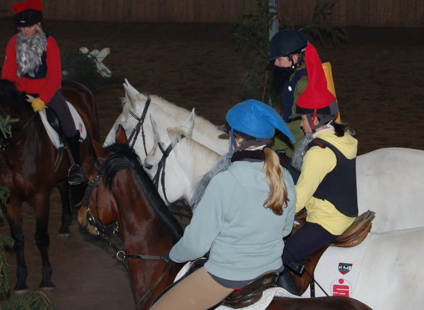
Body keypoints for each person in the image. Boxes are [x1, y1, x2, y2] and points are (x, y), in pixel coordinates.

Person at [150, 99, 297, 310]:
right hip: (269, 269)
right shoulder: (285, 177)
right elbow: (285, 229)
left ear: (237, 141)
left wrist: (172, 254)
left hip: (227, 276)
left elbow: (195, 245)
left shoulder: (223, 182)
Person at [277, 44, 358, 295]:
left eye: (303, 119)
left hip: (327, 220)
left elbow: (299, 199)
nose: (301, 124)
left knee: (278, 257)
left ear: (315, 119)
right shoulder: (341, 136)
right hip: (342, 210)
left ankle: (291, 298)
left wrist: (274, 214)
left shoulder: (318, 153)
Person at [1, 0, 84, 185]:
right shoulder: (13, 42)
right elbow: (7, 73)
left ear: (38, 24)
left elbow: (55, 78)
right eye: (21, 28)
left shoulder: (50, 43)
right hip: (19, 94)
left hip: (47, 92)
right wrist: (10, 92)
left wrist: (42, 99)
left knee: (68, 124)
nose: (24, 31)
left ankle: (76, 165)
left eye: (28, 27)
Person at [265, 29, 310, 158]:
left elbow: (301, 126)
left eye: (279, 59)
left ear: (294, 58)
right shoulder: (294, 76)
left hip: (298, 148)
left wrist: (272, 143)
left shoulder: (303, 83)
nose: (275, 63)